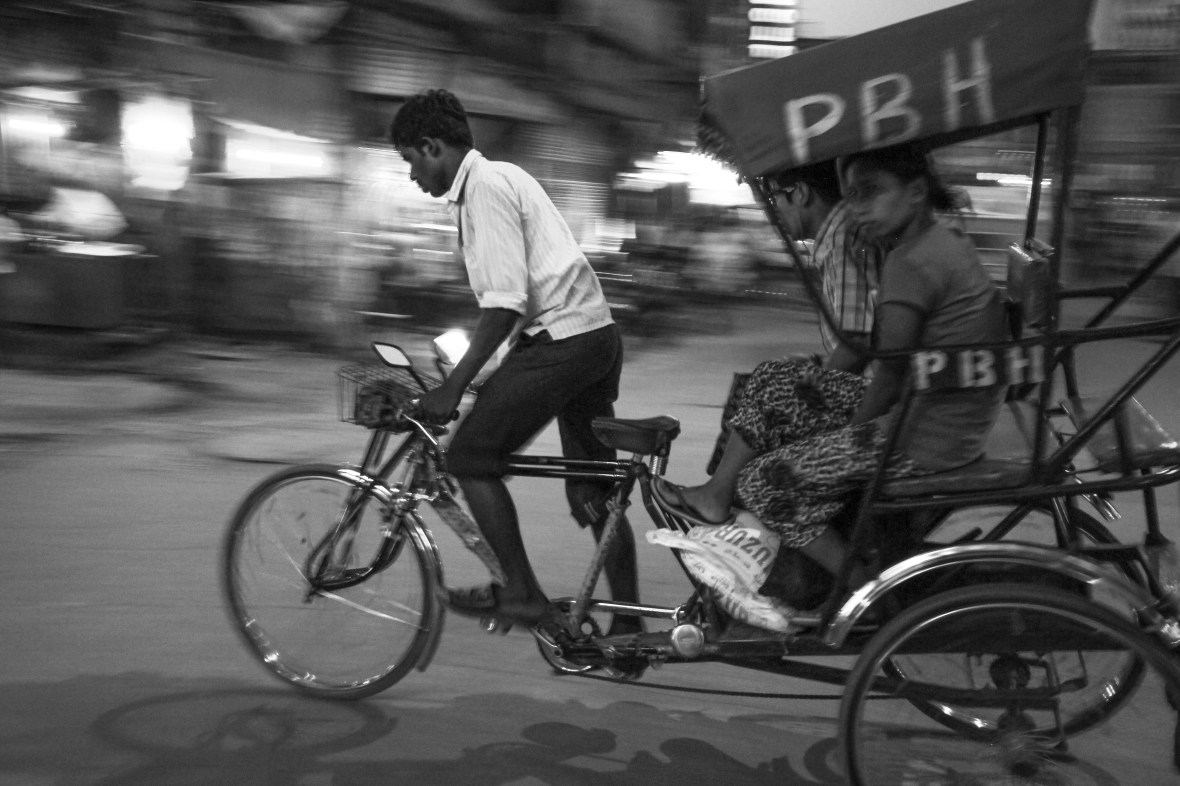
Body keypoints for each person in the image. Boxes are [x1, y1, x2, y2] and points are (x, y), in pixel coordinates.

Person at [656, 142, 1007, 590]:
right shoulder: (940, 241)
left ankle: (859, 583)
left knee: (763, 481)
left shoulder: (912, 262)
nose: (857, 210)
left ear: (916, 192)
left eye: (871, 193)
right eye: (852, 196)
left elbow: (889, 371)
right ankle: (717, 499)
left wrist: (843, 440)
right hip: (944, 416)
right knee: (773, 381)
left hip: (922, 436)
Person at [388, 89, 639, 634]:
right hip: (591, 336)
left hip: (563, 343)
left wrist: (453, 387)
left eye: (410, 160)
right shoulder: (501, 176)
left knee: (472, 457)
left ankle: (522, 594)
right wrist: (481, 375)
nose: (411, 177)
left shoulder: (483, 190)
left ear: (432, 147)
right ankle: (627, 626)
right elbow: (513, 304)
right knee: (592, 485)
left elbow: (505, 304)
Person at [701, 161, 881, 477]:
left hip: (870, 389)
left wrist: (810, 384)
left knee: (768, 391)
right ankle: (722, 489)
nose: (773, 214)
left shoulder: (844, 241)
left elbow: (858, 344)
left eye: (773, 200)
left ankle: (726, 491)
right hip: (865, 377)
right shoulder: (837, 239)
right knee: (757, 382)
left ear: (799, 193)